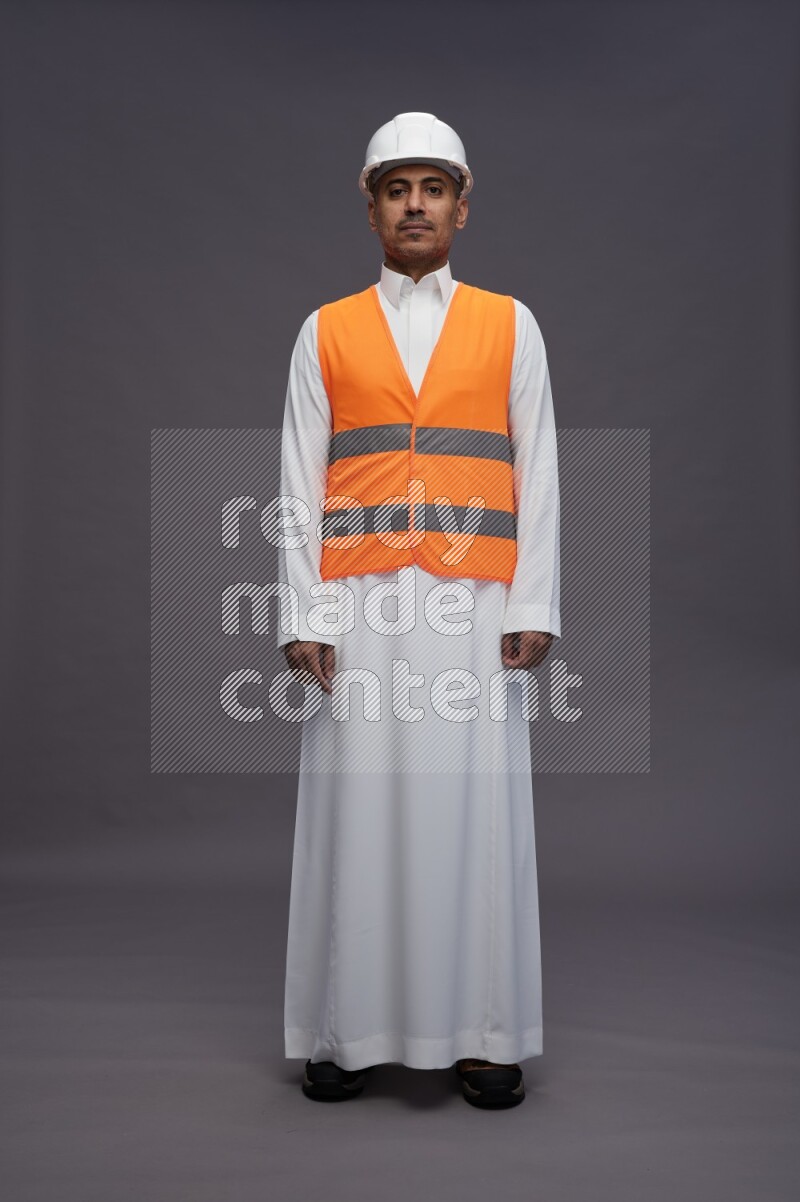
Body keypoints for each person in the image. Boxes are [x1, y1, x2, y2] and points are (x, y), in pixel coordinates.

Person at [276, 112, 561, 1109]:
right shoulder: (324, 328)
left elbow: (539, 468)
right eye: (395, 187)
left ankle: (483, 1033)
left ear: (461, 205)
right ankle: (347, 1029)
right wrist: (301, 611)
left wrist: (533, 601)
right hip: (355, 602)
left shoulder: (509, 322)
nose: (413, 204)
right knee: (358, 805)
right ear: (369, 205)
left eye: (431, 187)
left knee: (473, 810)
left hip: (474, 602)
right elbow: (297, 479)